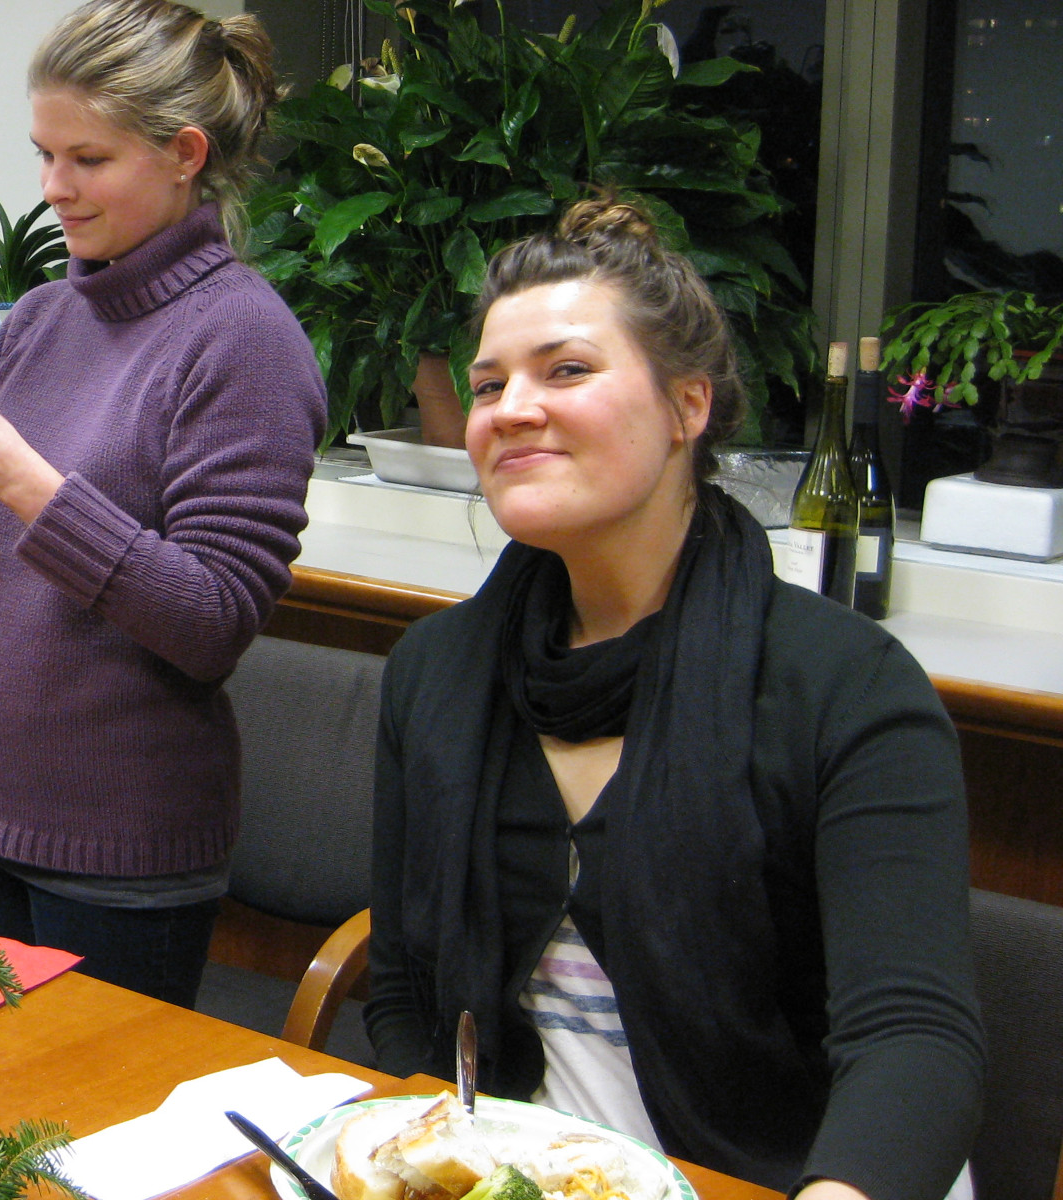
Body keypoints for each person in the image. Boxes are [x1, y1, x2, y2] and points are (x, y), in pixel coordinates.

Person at [365, 198, 982, 1197]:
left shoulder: (845, 687)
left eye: (566, 370)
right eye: (488, 384)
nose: (510, 407)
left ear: (687, 407)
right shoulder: (436, 671)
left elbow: (915, 1040)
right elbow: (401, 990)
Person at [0, 0, 327, 1006]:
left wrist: (24, 478)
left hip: (120, 855)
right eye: (44, 155)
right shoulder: (41, 318)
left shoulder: (244, 340)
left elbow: (211, 624)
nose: (54, 188)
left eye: (87, 159)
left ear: (184, 154)